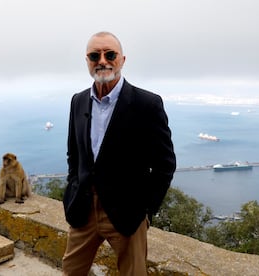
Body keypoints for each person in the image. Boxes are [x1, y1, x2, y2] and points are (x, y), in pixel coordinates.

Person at [62, 31, 176, 276]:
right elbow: (75, 155)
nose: (102, 60)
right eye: (95, 55)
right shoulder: (78, 101)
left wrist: (145, 210)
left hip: (127, 214)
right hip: (83, 210)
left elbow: (165, 164)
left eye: (109, 54)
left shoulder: (147, 104)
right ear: (88, 61)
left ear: (122, 60)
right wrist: (72, 193)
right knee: (70, 270)